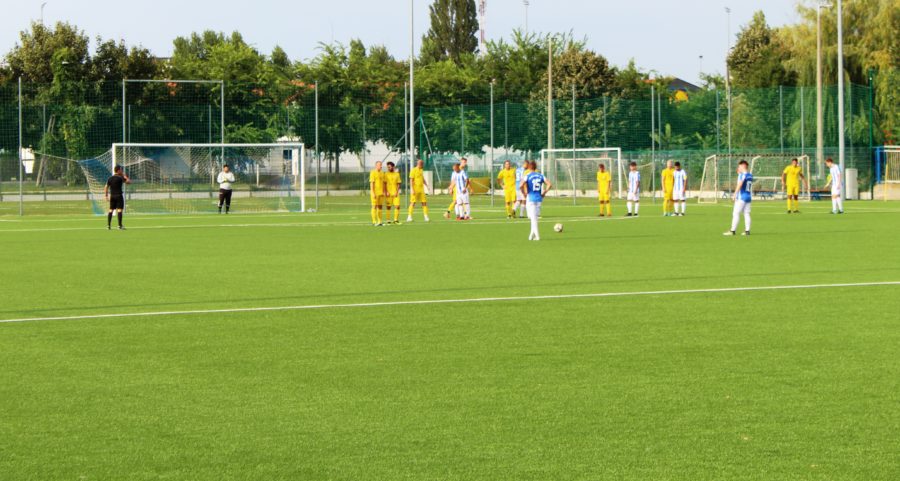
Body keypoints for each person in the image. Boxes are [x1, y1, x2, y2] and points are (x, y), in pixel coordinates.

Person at [521, 161, 552, 241]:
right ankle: (531, 235)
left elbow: (521, 185)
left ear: (529, 167)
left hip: (530, 198)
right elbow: (549, 184)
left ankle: (537, 236)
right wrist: (544, 192)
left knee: (532, 218)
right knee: (534, 217)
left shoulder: (527, 176)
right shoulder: (541, 175)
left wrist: (524, 193)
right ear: (535, 167)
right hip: (539, 199)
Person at [724, 160, 753, 236]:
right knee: (746, 213)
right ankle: (747, 231)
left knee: (736, 213)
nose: (738, 168)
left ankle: (732, 231)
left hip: (741, 197)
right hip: (748, 196)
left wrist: (734, 194)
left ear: (743, 166)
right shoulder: (750, 175)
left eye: (739, 166)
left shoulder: (742, 175)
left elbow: (740, 184)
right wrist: (739, 173)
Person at [104, 165, 131, 230]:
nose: (121, 171)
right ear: (118, 170)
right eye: (121, 170)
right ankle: (119, 226)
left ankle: (108, 226)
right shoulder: (120, 177)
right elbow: (129, 182)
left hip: (112, 196)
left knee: (111, 210)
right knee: (119, 210)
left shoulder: (110, 178)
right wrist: (124, 175)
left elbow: (106, 187)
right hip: (119, 196)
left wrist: (106, 196)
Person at [369, 161, 387, 226]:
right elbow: (372, 183)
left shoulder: (382, 173)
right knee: (374, 206)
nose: (381, 166)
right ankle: (374, 222)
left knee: (380, 207)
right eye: (380, 165)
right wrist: (372, 192)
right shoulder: (373, 172)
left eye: (381, 165)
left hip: (381, 193)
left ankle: (380, 221)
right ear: (376, 166)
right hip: (375, 193)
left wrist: (384, 192)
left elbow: (384, 183)